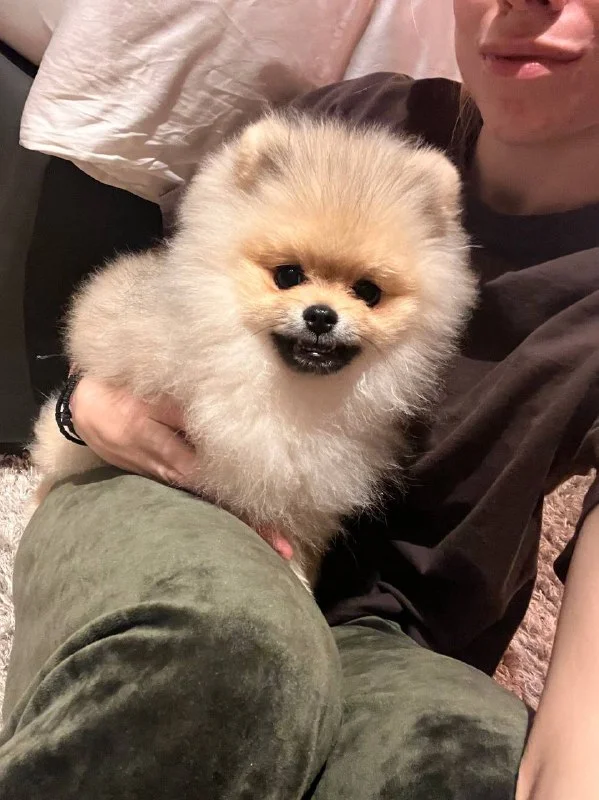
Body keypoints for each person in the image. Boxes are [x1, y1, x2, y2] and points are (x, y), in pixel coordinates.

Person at [2, 0, 598, 797]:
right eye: (292, 277)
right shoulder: (359, 120)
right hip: (169, 504)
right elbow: (157, 291)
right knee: (223, 648)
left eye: (365, 291)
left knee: (464, 763)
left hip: (391, 631)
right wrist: (81, 411)